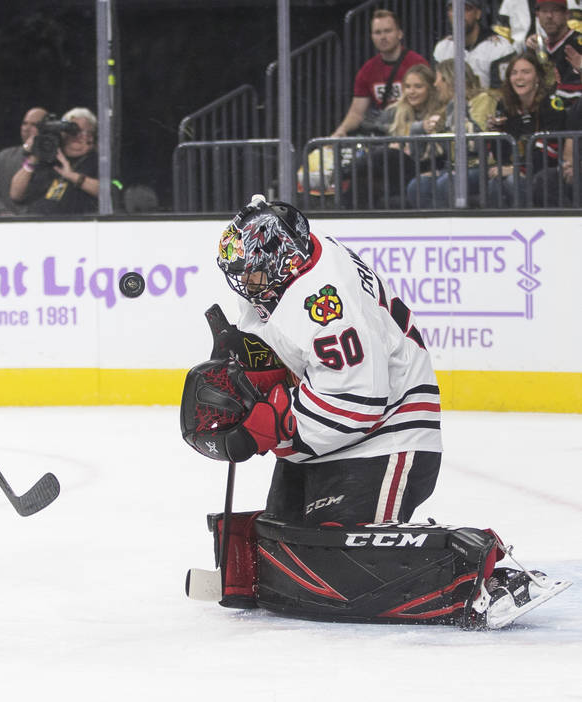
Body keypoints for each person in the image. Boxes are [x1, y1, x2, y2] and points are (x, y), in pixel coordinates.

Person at [179, 194, 571, 628]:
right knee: (288, 549)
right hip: (328, 436)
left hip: (389, 435)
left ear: (282, 261)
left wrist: (271, 424)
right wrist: (254, 362)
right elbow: (287, 341)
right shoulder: (293, 260)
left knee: (336, 564)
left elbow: (357, 402)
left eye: (252, 272)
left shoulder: (325, 303)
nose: (245, 283)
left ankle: (482, 575)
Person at [340, 63, 445, 208]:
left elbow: (440, 153)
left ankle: (343, 172)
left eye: (418, 87)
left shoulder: (440, 113)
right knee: (362, 181)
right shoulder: (394, 112)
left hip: (421, 168)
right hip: (392, 173)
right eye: (407, 87)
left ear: (430, 88)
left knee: (392, 154)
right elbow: (377, 140)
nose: (411, 92)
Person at [405, 60, 499, 208]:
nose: (435, 84)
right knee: (418, 185)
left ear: (451, 80)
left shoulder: (482, 99)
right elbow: (424, 154)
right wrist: (421, 129)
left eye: (439, 79)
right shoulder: (448, 107)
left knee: (447, 183)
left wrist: (458, 108)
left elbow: (474, 142)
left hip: (481, 166)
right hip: (454, 167)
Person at [487, 51, 568, 206]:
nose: (519, 78)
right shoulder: (504, 106)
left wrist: (519, 170)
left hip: (547, 172)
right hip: (517, 169)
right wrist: (496, 133)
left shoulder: (551, 105)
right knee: (494, 183)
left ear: (537, 76)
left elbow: (551, 152)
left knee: (512, 181)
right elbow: (501, 156)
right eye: (514, 73)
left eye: (526, 72)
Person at [331, 9, 428, 138]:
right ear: (372, 37)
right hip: (384, 133)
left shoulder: (417, 63)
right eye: (377, 32)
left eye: (388, 31)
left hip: (412, 131)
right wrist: (340, 131)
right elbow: (356, 113)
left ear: (399, 34)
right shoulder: (367, 70)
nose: (383, 37)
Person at [9, 106, 100, 215]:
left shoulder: (98, 161)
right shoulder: (51, 158)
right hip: (39, 224)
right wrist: (33, 157)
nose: (76, 136)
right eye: (70, 131)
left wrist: (72, 176)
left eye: (82, 132)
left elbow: (110, 191)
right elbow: (15, 194)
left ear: (92, 136)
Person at [433, 0, 515, 89]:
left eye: (466, 9)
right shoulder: (443, 48)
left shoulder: (499, 47)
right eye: (453, 9)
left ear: (478, 14)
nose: (458, 14)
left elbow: (501, 94)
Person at [0, 106, 48, 215]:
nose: (26, 128)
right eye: (25, 123)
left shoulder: (55, 160)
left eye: (34, 125)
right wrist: (4, 213)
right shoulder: (4, 157)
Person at [523, 0, 582, 104]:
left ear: (567, 14)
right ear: (537, 16)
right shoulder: (538, 48)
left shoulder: (578, 44)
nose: (549, 16)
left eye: (555, 11)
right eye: (544, 11)